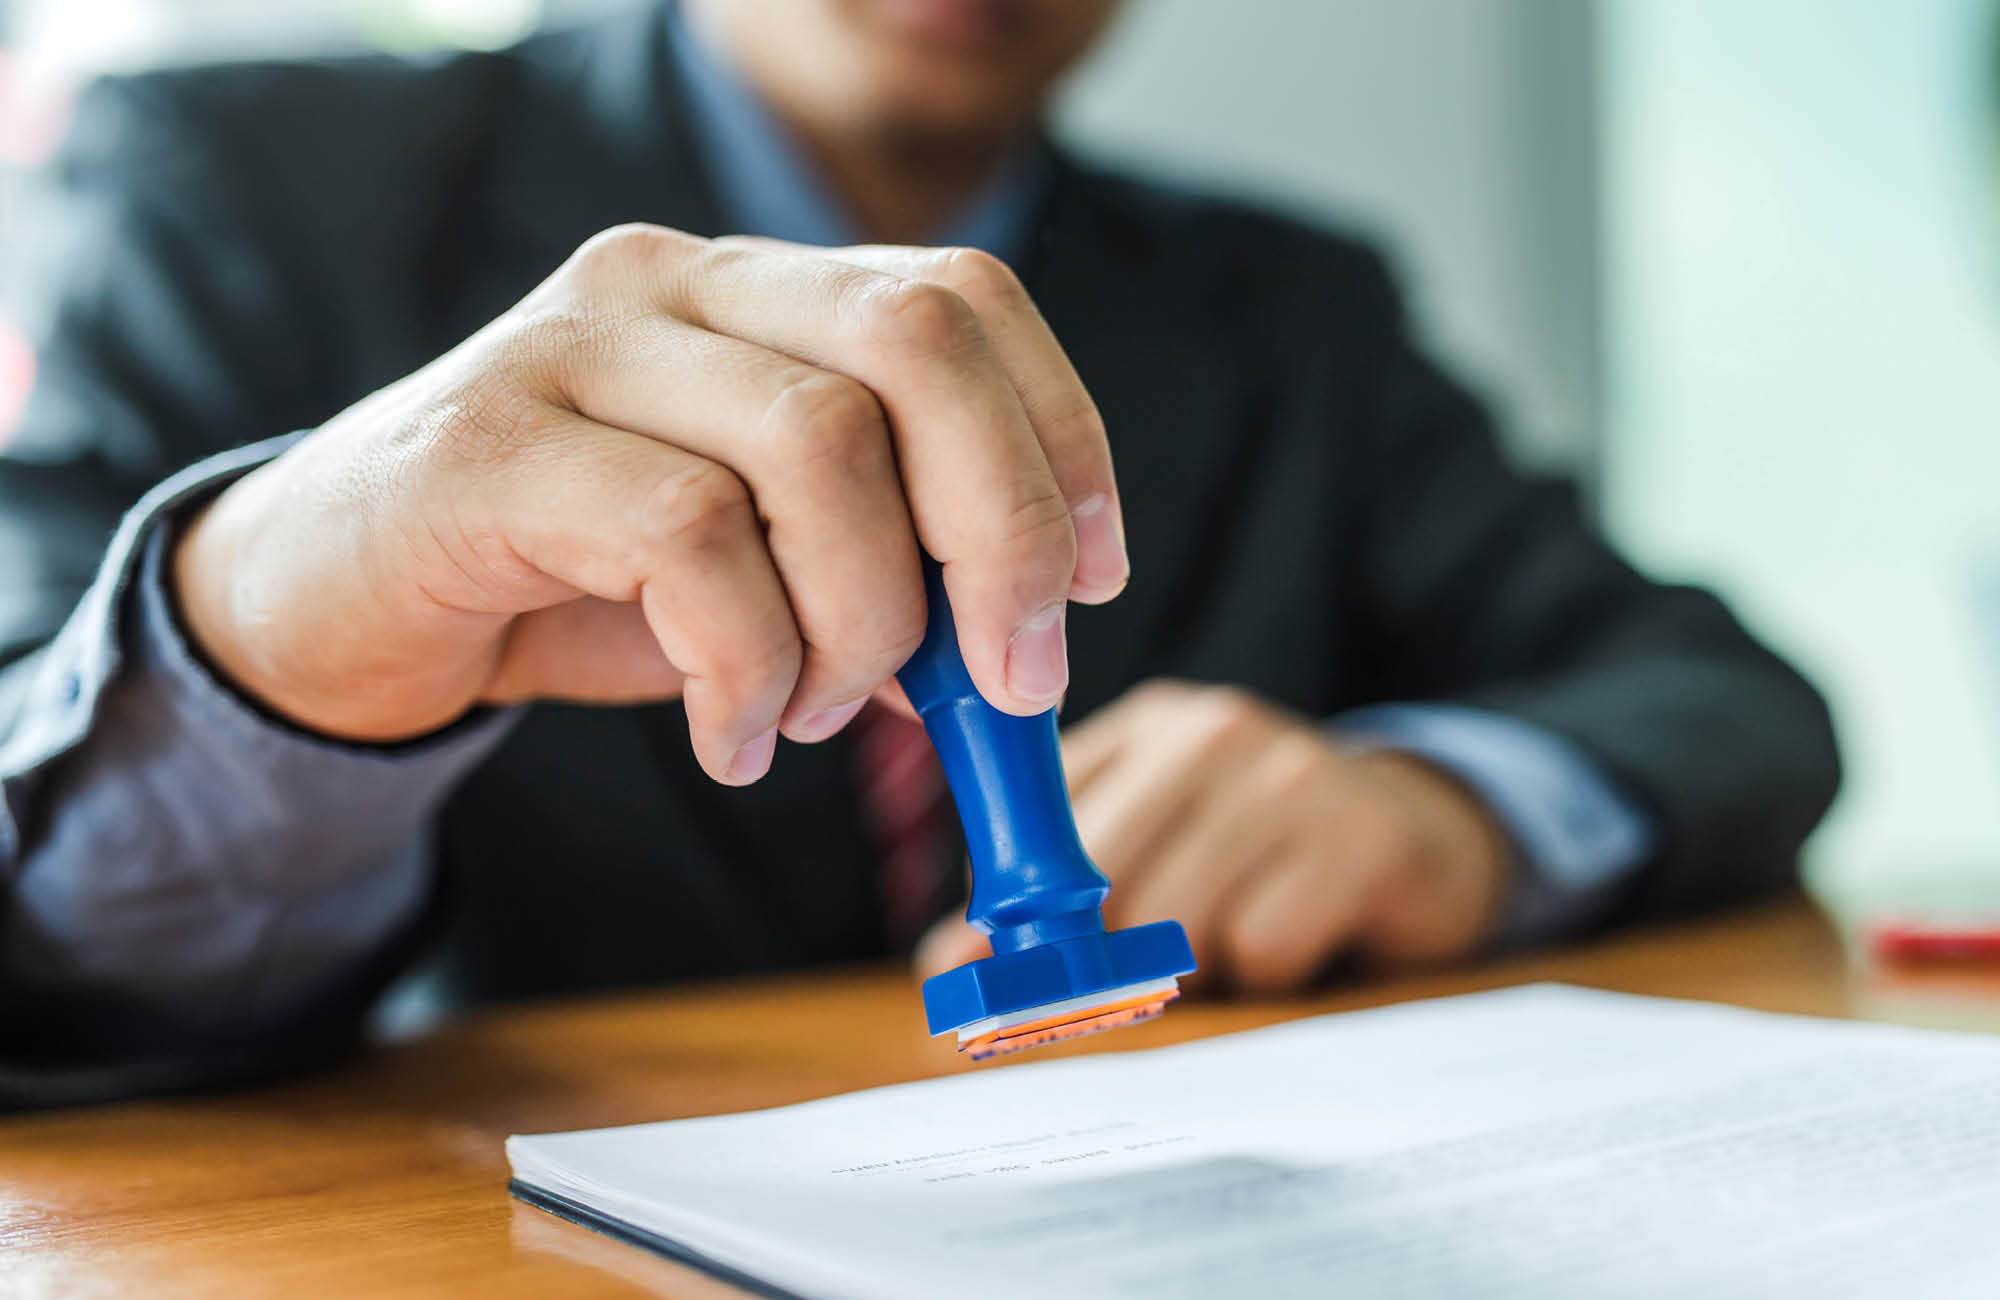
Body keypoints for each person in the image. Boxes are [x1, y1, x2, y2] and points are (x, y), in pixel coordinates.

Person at [0, 0, 1838, 1101]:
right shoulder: (241, 176)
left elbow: (1723, 695)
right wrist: (250, 639)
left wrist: (1448, 808)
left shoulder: (1293, 304)